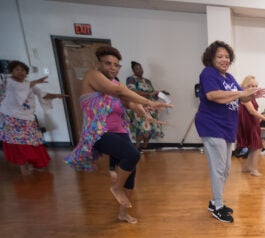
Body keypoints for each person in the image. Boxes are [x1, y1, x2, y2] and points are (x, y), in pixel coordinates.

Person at [65, 46, 167, 224]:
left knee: (131, 172)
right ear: (99, 64)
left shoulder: (116, 84)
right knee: (133, 154)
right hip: (98, 132)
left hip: (120, 132)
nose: (112, 67)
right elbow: (119, 92)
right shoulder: (92, 76)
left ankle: (123, 212)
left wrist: (147, 113)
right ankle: (116, 187)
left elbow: (130, 103)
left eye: (115, 65)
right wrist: (148, 100)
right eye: (108, 63)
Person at [195, 41, 265, 223]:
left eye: (227, 56)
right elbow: (213, 95)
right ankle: (218, 207)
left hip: (227, 127)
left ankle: (214, 202)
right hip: (212, 125)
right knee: (218, 168)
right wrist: (241, 94)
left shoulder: (230, 78)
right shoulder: (208, 73)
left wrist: (252, 95)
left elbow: (242, 98)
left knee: (225, 169)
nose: (224, 59)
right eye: (220, 56)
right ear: (211, 58)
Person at [0, 60, 66, 175]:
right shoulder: (9, 82)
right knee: (19, 143)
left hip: (27, 117)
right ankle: (23, 167)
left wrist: (56, 95)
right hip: (12, 117)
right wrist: (36, 81)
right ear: (12, 72)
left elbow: (43, 94)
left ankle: (33, 163)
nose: (20, 72)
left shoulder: (28, 84)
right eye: (17, 70)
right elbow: (19, 88)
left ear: (26, 72)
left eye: (23, 70)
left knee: (31, 141)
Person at [236, 75, 265, 177]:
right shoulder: (244, 96)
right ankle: (254, 170)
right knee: (257, 146)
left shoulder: (251, 96)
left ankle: (246, 167)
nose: (253, 88)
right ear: (245, 86)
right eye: (250, 85)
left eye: (255, 85)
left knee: (254, 147)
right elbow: (252, 111)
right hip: (249, 124)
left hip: (252, 122)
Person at [125, 61, 165, 150]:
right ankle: (137, 147)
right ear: (133, 70)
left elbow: (152, 94)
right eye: (137, 68)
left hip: (150, 108)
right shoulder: (131, 79)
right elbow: (133, 92)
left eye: (141, 68)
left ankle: (145, 147)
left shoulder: (147, 81)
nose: (140, 70)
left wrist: (157, 93)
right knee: (143, 127)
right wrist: (150, 93)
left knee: (153, 127)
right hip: (139, 107)